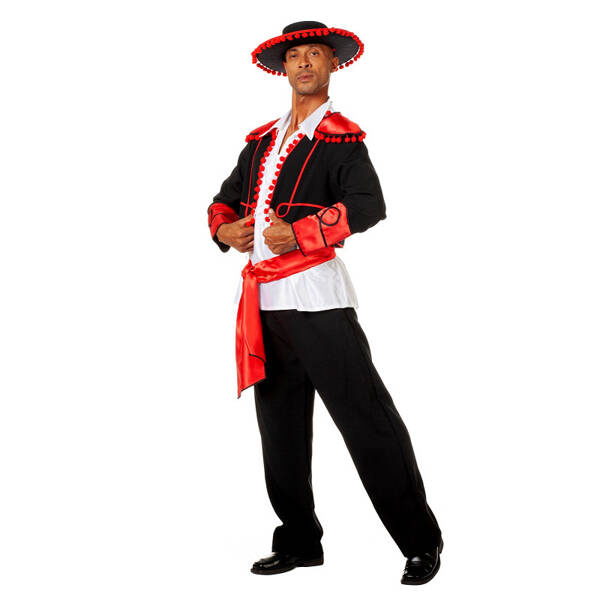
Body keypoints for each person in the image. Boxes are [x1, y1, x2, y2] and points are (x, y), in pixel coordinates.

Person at [207, 21, 444, 585]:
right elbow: (222, 201)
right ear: (284, 68)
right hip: (263, 302)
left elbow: (368, 205)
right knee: (280, 432)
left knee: (366, 420)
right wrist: (225, 230)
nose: (305, 63)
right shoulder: (260, 141)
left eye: (315, 54)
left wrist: (303, 232)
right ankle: (298, 541)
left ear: (331, 64)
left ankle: (420, 542)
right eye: (296, 56)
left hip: (318, 301)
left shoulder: (341, 138)